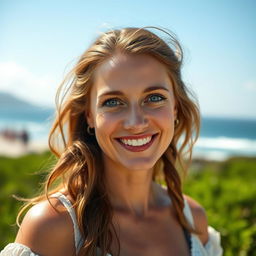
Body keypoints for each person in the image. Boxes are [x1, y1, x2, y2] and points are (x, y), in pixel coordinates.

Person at [0, 26, 223, 256]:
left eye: (154, 98)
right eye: (113, 102)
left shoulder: (193, 220)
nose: (136, 123)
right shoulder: (53, 227)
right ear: (89, 115)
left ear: (175, 107)